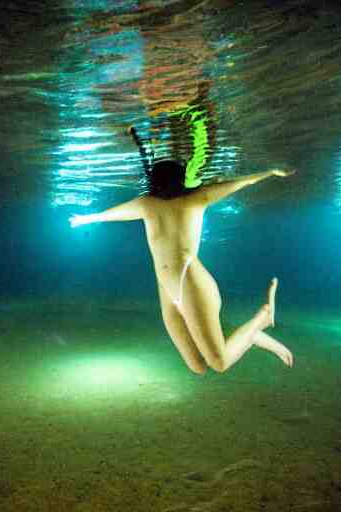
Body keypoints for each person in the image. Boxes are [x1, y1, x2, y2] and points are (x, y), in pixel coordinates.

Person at [69, 129, 295, 374]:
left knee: (218, 363)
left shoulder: (195, 199)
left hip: (191, 280)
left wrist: (270, 172)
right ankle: (250, 336)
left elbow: (239, 183)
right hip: (168, 291)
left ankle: (262, 317)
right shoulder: (148, 205)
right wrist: (86, 219)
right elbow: (114, 214)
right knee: (198, 366)